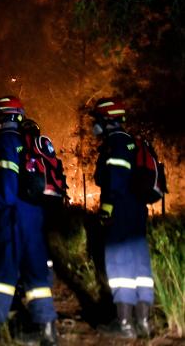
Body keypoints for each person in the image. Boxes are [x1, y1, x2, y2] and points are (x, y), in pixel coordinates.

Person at [0, 96, 59, 346]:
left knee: (3, 267)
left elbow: (5, 186)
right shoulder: (29, 143)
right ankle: (48, 330)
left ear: (4, 117)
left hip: (12, 212)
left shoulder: (7, 141)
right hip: (33, 213)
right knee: (35, 270)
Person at [91, 97, 154, 338]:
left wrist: (106, 210)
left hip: (120, 209)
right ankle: (144, 322)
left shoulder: (114, 144)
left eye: (97, 120)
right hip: (138, 210)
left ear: (107, 121)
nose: (95, 125)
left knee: (119, 265)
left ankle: (125, 324)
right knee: (140, 263)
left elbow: (114, 182)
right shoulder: (132, 143)